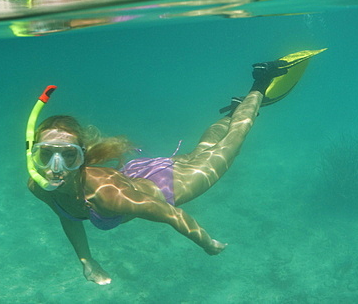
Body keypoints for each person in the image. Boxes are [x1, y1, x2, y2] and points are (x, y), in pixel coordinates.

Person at [25, 49, 324, 285]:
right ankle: (236, 110)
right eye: (45, 155)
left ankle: (261, 81)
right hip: (136, 176)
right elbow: (68, 216)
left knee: (230, 146)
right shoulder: (40, 187)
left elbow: (171, 214)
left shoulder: (107, 196)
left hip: (164, 186)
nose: (55, 168)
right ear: (32, 156)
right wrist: (86, 261)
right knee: (202, 150)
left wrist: (206, 243)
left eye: (68, 156)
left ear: (83, 158)